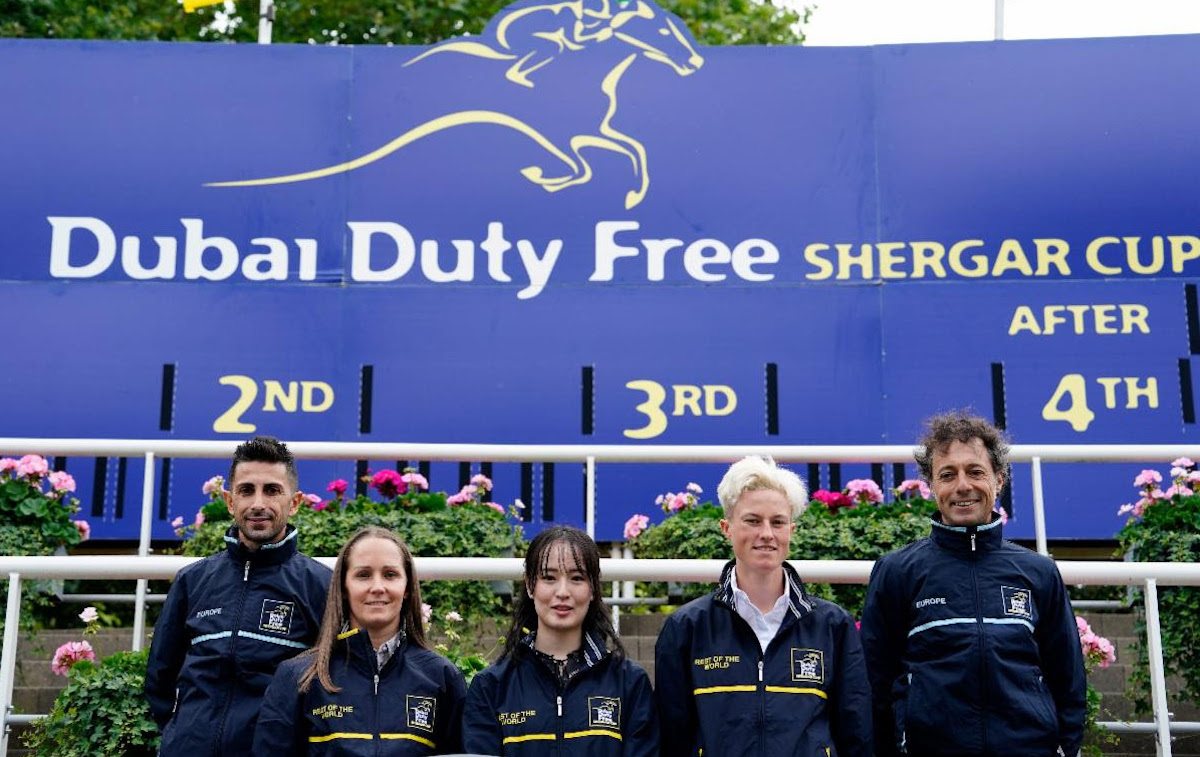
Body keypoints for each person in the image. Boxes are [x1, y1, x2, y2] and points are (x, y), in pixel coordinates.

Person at [860, 411, 1087, 757]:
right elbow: (874, 685)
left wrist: (1063, 749)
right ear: (931, 486)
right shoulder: (897, 571)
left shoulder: (1039, 572)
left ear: (999, 479)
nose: (962, 486)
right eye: (947, 475)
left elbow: (1068, 682)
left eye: (975, 472)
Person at [654, 456, 873, 757]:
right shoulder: (687, 627)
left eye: (778, 522)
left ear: (791, 531)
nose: (766, 534)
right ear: (726, 528)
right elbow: (671, 737)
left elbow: (856, 734)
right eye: (753, 520)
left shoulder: (833, 625)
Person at [145, 435, 333, 756]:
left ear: (295, 501)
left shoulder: (322, 586)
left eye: (272, 490)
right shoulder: (193, 580)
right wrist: (182, 734)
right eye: (247, 490)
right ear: (230, 501)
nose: (258, 503)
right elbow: (159, 678)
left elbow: (334, 688)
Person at [253, 526, 467, 754]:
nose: (377, 587)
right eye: (363, 575)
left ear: (407, 588)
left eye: (390, 575)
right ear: (344, 587)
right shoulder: (298, 677)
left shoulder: (442, 677)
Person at [462, 525, 658, 756]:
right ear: (530, 585)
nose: (563, 591)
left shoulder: (629, 682)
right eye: (549, 577)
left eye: (576, 578)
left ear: (593, 588)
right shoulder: (492, 686)